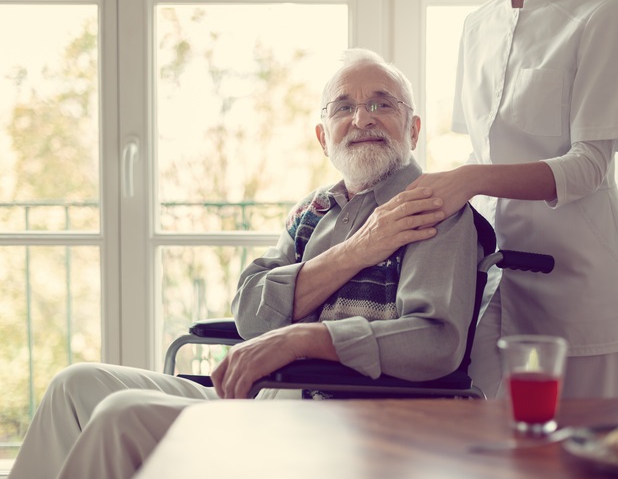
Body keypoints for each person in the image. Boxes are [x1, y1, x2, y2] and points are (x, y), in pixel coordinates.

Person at [8, 48, 484, 479]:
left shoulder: (433, 208)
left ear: (414, 128)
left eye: (382, 104)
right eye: (344, 107)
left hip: (338, 416)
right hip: (263, 397)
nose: (362, 118)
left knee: (120, 416)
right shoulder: (313, 210)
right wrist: (359, 250)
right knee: (75, 386)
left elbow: (435, 341)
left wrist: (304, 338)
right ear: (324, 136)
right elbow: (252, 313)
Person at [408, 0, 618, 399]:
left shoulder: (605, 14)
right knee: (486, 446)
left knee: (572, 454)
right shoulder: (476, 23)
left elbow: (589, 165)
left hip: (577, 288)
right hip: (492, 280)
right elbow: (482, 154)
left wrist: (469, 179)